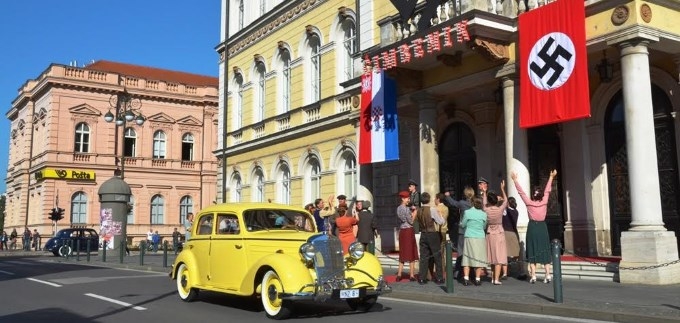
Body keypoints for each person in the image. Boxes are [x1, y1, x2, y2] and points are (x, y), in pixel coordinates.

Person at [511, 169, 557, 284]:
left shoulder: (528, 202)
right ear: (540, 195)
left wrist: (515, 180)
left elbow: (521, 193)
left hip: (532, 227)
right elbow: (547, 191)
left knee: (532, 250)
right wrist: (551, 177)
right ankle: (547, 274)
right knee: (545, 250)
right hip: (542, 227)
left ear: (533, 195)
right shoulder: (545, 201)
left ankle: (534, 275)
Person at [444, 186, 474, 279]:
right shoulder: (474, 204)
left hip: (463, 230)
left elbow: (453, 203)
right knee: (471, 252)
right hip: (472, 230)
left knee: (461, 251)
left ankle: (458, 272)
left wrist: (448, 196)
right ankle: (471, 273)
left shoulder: (462, 203)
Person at [415, 192, 445, 285]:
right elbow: (441, 222)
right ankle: (439, 278)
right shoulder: (432, 209)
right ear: (429, 199)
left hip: (423, 234)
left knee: (424, 256)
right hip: (432, 234)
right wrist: (440, 215)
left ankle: (422, 278)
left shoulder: (418, 210)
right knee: (437, 256)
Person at [482, 180, 508, 285]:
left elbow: (484, 202)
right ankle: (496, 279)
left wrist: (484, 192)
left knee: (492, 256)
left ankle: (493, 277)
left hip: (489, 233)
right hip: (499, 232)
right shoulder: (500, 209)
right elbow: (506, 201)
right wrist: (502, 189)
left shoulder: (486, 209)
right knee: (499, 257)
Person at [460, 197, 488, 286]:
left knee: (467, 258)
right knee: (478, 258)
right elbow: (484, 226)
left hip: (469, 236)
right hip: (480, 237)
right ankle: (478, 279)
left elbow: (463, 224)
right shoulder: (484, 214)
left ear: (472, 203)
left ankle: (466, 278)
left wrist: (462, 224)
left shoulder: (467, 212)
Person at [396, 190, 418, 282]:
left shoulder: (398, 208)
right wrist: (414, 213)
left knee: (403, 253)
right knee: (411, 253)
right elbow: (411, 221)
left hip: (402, 231)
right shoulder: (406, 209)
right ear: (403, 198)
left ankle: (399, 274)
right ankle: (412, 275)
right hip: (408, 231)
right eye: (407, 198)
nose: (408, 200)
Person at [502, 197, 521, 279]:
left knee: (504, 254)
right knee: (516, 253)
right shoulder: (516, 211)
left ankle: (505, 273)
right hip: (514, 233)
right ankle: (518, 270)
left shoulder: (506, 211)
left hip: (506, 232)